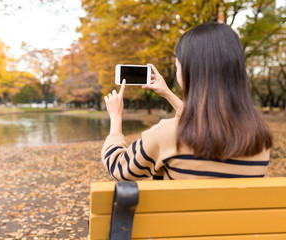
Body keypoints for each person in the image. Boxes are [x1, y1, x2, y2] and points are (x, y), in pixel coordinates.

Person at [101, 22, 273, 181]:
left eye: (178, 66)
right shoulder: (260, 137)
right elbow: (205, 120)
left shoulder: (168, 135)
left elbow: (118, 167)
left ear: (189, 72)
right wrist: (167, 93)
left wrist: (116, 117)